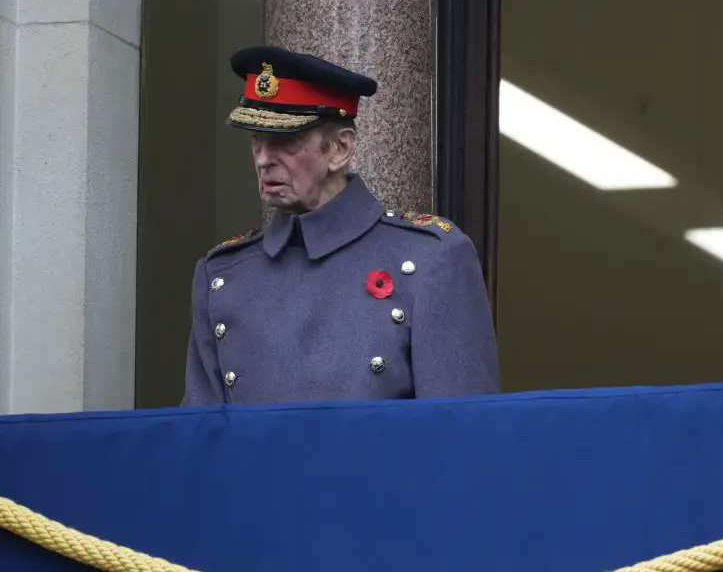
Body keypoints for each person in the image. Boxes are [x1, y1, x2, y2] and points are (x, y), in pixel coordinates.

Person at [181, 46, 500, 405]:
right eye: (257, 142)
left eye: (285, 142)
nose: (264, 160)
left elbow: (462, 435)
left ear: (340, 150)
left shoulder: (431, 260)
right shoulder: (222, 276)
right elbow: (200, 440)